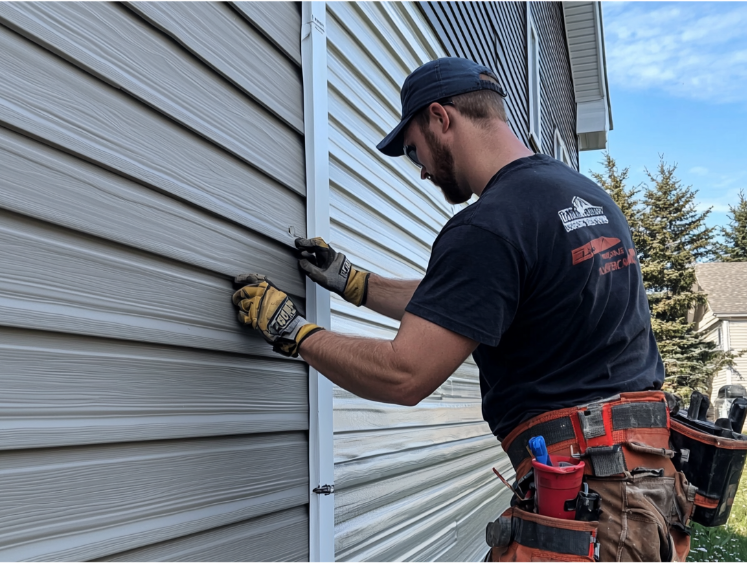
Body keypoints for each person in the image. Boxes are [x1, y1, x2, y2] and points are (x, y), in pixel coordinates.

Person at [231, 57, 693, 562]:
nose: (423, 171)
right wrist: (352, 283)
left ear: (440, 118)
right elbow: (465, 304)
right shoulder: (584, 197)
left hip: (592, 504)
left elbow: (403, 374)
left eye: (414, 151)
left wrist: (293, 331)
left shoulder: (490, 225)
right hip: (644, 488)